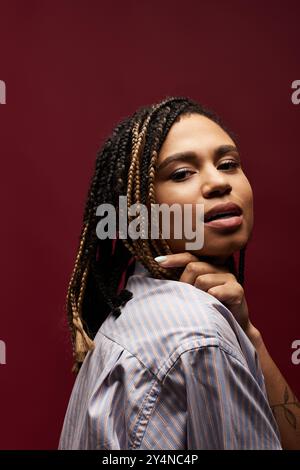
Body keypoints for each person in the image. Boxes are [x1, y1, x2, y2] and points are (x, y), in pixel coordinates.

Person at [58, 96, 300, 450]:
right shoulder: (199, 335)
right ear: (138, 211)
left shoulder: (139, 306)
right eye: (182, 173)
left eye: (229, 163)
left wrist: (249, 335)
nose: (218, 182)